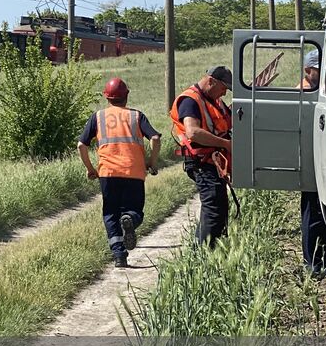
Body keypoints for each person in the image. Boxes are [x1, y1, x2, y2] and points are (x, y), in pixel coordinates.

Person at [78, 77, 162, 267]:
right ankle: (130, 218)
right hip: (134, 172)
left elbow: (81, 145)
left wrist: (90, 169)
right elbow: (155, 138)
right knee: (134, 210)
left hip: (108, 173)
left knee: (110, 213)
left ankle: (119, 255)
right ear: (127, 96)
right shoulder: (136, 116)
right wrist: (152, 162)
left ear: (106, 97)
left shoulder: (98, 117)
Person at [170, 66, 234, 248]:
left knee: (219, 206)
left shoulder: (214, 101)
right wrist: (226, 144)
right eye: (223, 88)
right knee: (213, 208)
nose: (225, 93)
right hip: (201, 163)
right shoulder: (190, 100)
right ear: (211, 81)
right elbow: (193, 132)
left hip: (213, 162)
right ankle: (202, 253)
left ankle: (209, 251)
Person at [298, 52, 326, 278]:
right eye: (319, 70)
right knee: (313, 215)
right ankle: (312, 264)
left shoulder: (318, 90)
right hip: (314, 164)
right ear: (308, 70)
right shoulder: (304, 92)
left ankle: (325, 260)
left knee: (322, 217)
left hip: (324, 161)